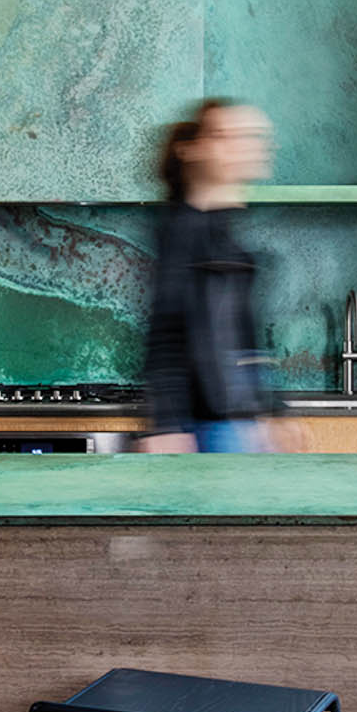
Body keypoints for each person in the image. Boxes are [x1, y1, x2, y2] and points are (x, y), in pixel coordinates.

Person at [140, 98, 276, 453]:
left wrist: (272, 409)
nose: (251, 145)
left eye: (252, 137)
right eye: (228, 136)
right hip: (212, 424)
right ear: (195, 150)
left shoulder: (223, 231)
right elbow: (166, 331)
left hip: (235, 421)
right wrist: (166, 423)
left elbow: (243, 335)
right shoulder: (184, 229)